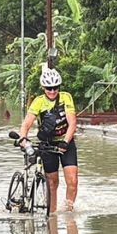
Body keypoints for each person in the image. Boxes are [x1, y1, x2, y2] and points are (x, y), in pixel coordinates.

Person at [19, 68, 78, 213]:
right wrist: (23, 139)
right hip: (47, 145)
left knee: (72, 181)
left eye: (55, 88)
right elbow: (26, 124)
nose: (52, 91)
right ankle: (52, 214)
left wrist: (65, 141)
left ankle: (69, 212)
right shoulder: (38, 102)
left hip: (66, 143)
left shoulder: (66, 97)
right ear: (43, 88)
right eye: (49, 88)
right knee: (52, 182)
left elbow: (72, 123)